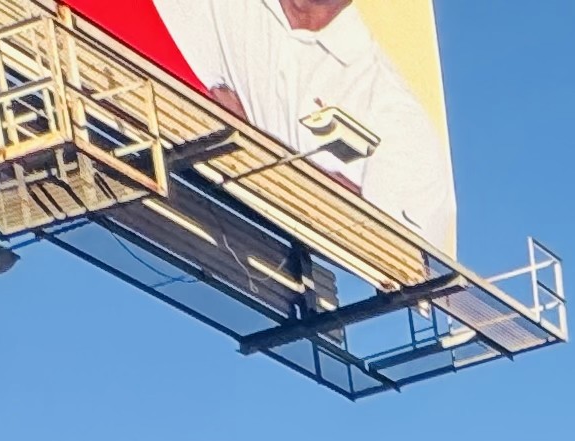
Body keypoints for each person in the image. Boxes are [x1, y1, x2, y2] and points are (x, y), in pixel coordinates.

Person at [154, 0, 457, 260]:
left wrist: (250, 141)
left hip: (251, 272)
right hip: (144, 191)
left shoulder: (399, 120)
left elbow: (400, 251)